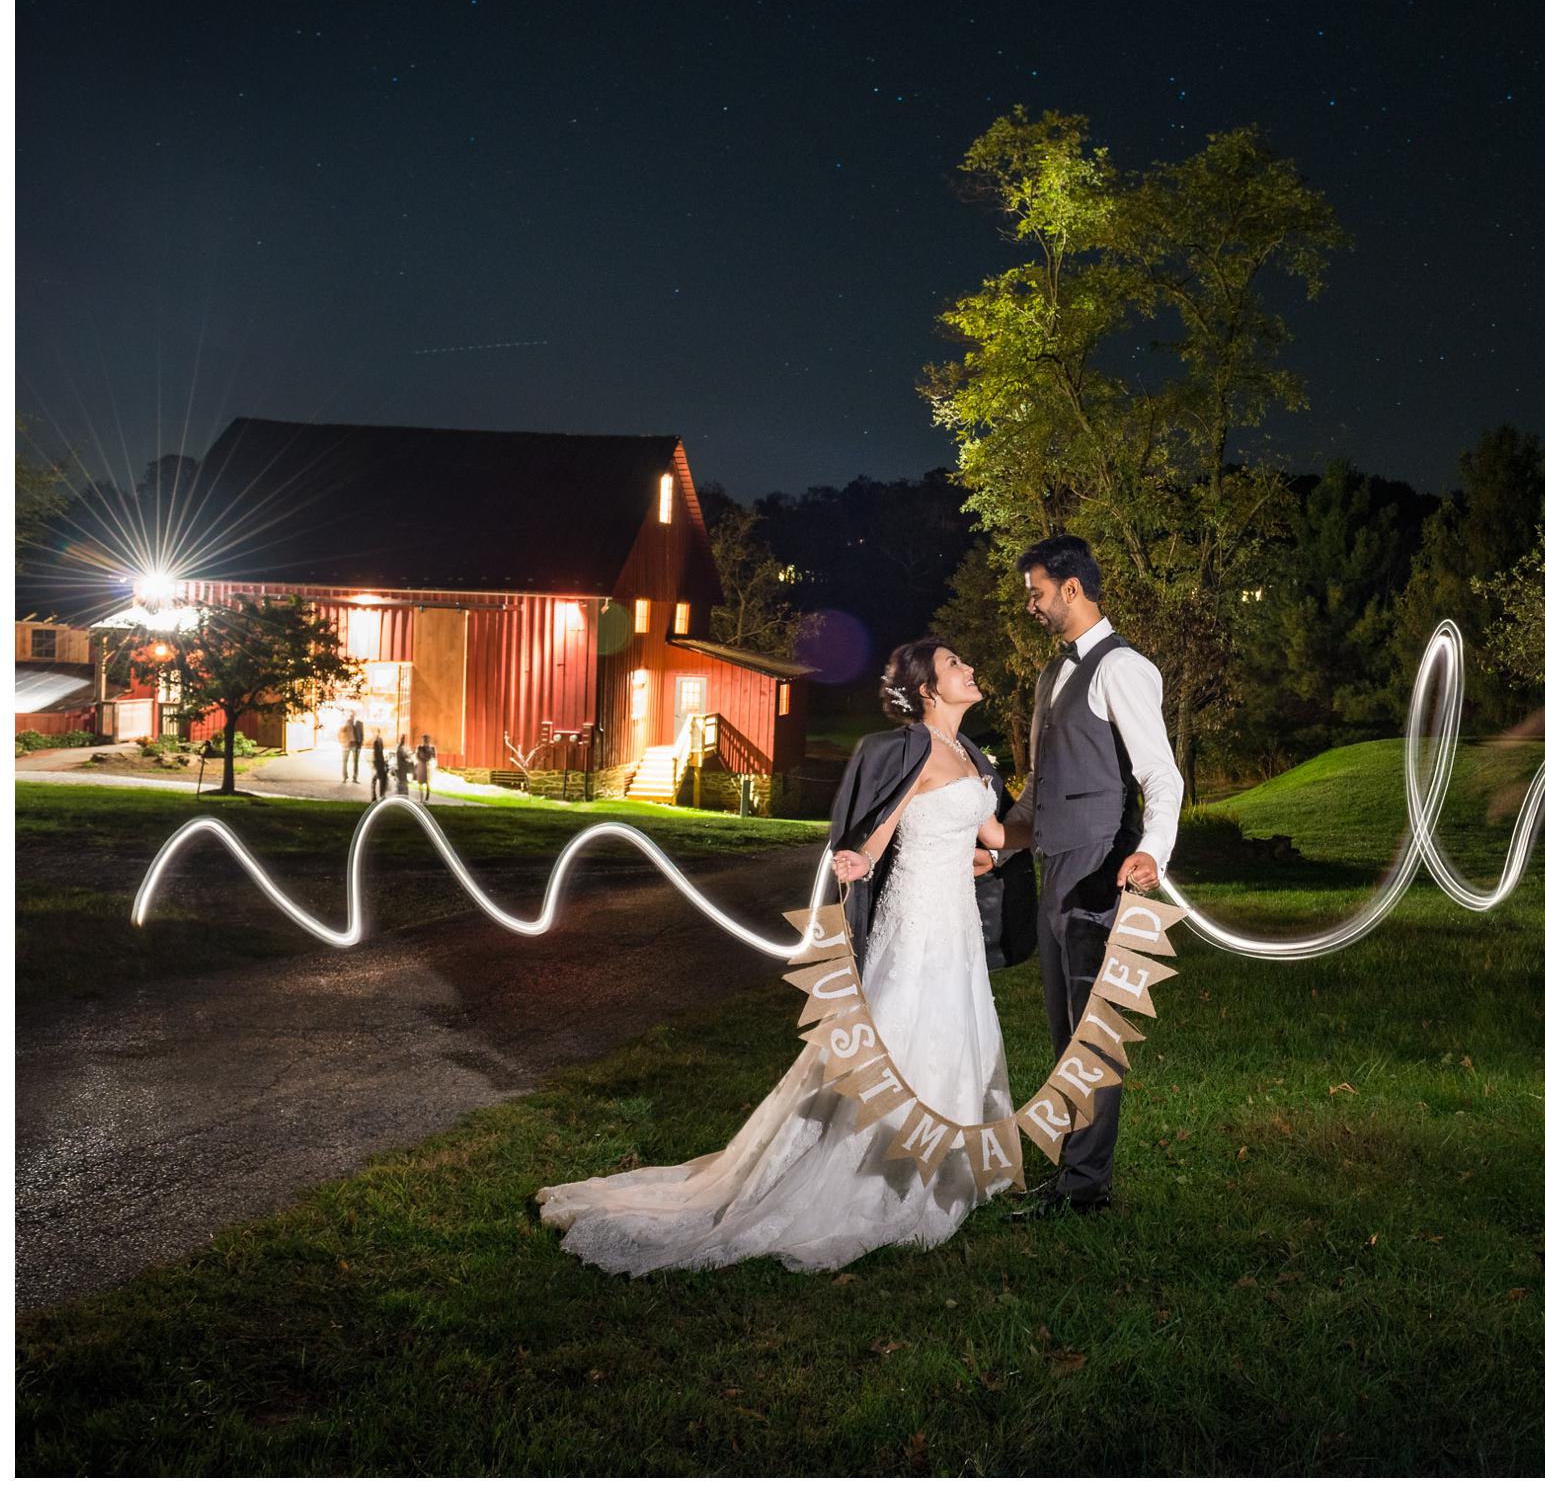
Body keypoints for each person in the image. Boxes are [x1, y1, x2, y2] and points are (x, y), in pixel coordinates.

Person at [535, 637, 1018, 1275]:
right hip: (916, 921)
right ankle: (881, 1174)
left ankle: (947, 1163)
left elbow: (997, 835)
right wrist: (860, 858)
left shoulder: (971, 754)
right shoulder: (917, 749)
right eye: (957, 663)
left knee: (958, 1031)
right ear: (928, 688)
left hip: (956, 923)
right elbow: (881, 823)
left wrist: (1049, 824)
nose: (970, 667)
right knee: (906, 1034)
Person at [998, 534, 1184, 1220]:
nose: (1030, 607)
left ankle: (1084, 1188)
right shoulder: (1054, 675)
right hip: (1054, 868)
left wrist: (1152, 851)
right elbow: (1040, 788)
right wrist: (1001, 846)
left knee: (1091, 1032)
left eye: (1036, 593)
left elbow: (1161, 775)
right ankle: (1076, 1175)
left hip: (1100, 868)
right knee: (1065, 1029)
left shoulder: (1122, 669)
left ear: (1072, 590)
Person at [341, 714, 363, 783]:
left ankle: (355, 778)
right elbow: (341, 732)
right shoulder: (346, 722)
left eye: (354, 715)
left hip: (356, 745)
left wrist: (360, 744)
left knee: (356, 762)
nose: (352, 716)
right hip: (346, 745)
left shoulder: (360, 723)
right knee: (345, 762)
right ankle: (344, 777)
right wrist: (343, 742)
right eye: (351, 715)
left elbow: (362, 734)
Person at [415, 733, 436, 799]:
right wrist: (423, 760)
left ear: (429, 740)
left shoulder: (432, 748)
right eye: (424, 739)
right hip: (421, 766)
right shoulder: (419, 747)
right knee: (420, 783)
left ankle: (427, 798)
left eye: (426, 739)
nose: (425, 741)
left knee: (428, 783)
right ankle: (421, 797)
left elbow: (434, 757)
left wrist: (429, 760)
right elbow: (417, 756)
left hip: (428, 767)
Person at [368, 731, 389, 800]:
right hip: (378, 763)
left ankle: (377, 795)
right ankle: (378, 795)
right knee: (378, 779)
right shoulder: (376, 742)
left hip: (378, 762)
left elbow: (379, 753)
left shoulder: (378, 742)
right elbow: (377, 753)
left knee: (377, 779)